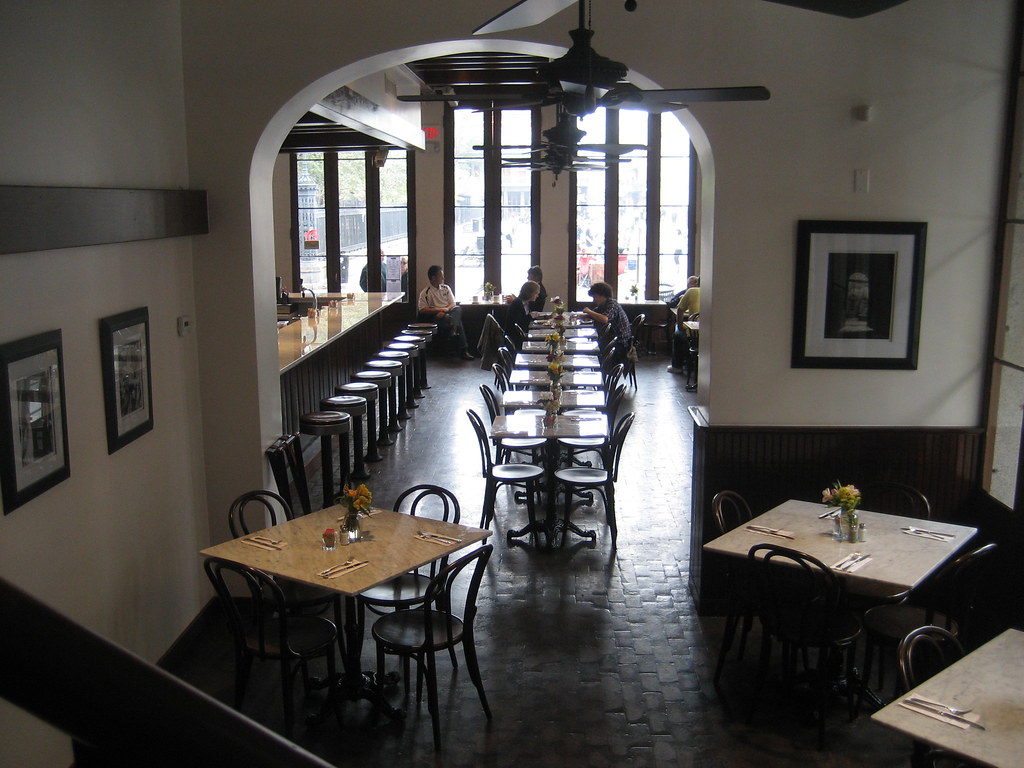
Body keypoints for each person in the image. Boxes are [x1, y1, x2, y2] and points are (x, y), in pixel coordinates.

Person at [418, 265, 474, 359]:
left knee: (457, 309)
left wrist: (445, 310)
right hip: (436, 316)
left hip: (448, 312)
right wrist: (439, 310)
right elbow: (422, 309)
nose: (443, 278)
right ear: (433, 278)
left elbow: (453, 303)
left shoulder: (446, 288)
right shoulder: (425, 292)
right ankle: (463, 350)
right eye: (441, 276)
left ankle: (454, 329)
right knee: (457, 322)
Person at [583, 281, 632, 353]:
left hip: (620, 342)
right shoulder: (603, 305)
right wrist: (579, 316)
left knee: (589, 345)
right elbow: (594, 315)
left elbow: (604, 319)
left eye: (595, 297)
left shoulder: (612, 304)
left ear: (602, 295)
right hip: (612, 338)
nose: (594, 300)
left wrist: (589, 311)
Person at [668, 275, 700, 374]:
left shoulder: (692, 291)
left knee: (678, 334)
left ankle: (677, 366)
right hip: (711, 333)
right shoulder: (714, 292)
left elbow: (680, 310)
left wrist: (680, 325)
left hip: (695, 333)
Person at [505, 280, 540, 345]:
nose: (537, 296)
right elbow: (520, 324)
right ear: (529, 293)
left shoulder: (526, 303)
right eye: (536, 293)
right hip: (516, 338)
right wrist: (530, 316)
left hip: (522, 334)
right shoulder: (517, 304)